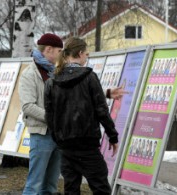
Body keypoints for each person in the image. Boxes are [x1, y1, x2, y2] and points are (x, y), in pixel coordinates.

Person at [44, 37, 119, 195]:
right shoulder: (89, 78)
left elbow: (49, 116)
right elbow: (102, 111)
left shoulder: (51, 82)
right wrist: (113, 137)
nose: (87, 57)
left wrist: (58, 139)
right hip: (87, 144)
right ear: (79, 53)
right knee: (101, 188)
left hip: (65, 146)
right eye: (86, 54)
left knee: (71, 189)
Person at [19, 33, 63, 195]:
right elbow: (28, 106)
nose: (61, 55)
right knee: (34, 185)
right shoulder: (29, 74)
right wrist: (53, 117)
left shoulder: (57, 73)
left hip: (58, 135)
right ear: (49, 50)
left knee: (51, 186)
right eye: (60, 51)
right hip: (41, 135)